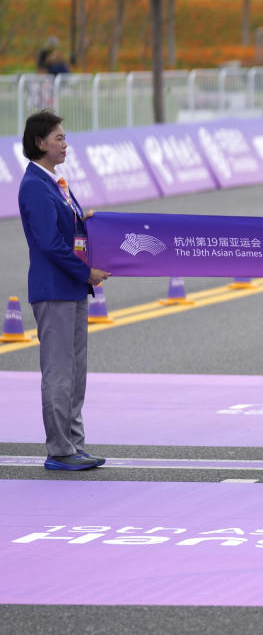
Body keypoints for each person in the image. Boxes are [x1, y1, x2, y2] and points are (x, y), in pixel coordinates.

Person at [18, 110, 111, 471]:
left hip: (71, 288)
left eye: (65, 138)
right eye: (58, 138)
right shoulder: (35, 186)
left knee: (76, 371)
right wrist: (87, 273)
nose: (65, 144)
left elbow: (68, 234)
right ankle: (59, 449)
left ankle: (74, 443)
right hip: (55, 288)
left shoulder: (57, 183)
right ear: (40, 142)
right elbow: (50, 244)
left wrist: (87, 225)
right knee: (58, 372)